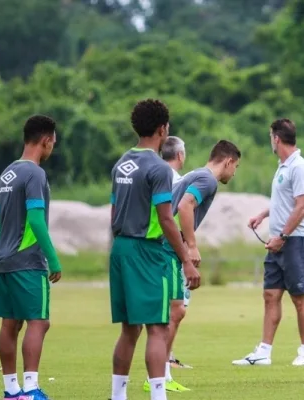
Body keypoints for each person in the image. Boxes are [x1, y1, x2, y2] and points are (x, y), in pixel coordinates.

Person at [108, 99, 200, 400]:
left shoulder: (121, 163)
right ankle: (158, 396)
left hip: (120, 248)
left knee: (128, 329)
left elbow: (113, 214)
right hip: (146, 252)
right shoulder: (158, 168)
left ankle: (118, 396)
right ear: (163, 129)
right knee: (158, 328)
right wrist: (186, 258)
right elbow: (165, 218)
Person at [144, 140, 241, 393]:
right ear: (228, 161)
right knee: (174, 311)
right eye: (236, 167)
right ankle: (157, 377)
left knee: (175, 310)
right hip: (168, 247)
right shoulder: (207, 180)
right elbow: (185, 206)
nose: (235, 172)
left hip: (166, 246)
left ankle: (161, 374)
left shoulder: (195, 174)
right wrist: (191, 245)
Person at [232, 118, 304, 367]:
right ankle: (264, 352)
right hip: (278, 241)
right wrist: (262, 215)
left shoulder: (299, 166)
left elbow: (302, 206)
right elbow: (283, 202)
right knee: (270, 294)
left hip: (294, 241)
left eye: (271, 137)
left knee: (299, 297)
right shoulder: (283, 166)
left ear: (276, 138)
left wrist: (283, 237)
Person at [0, 115, 62, 400]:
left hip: (5, 259)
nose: (52, 148)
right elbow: (35, 219)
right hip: (28, 261)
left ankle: (11, 391)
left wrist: (5, 248)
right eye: (53, 143)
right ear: (46, 140)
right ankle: (31, 389)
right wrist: (53, 258)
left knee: (10, 323)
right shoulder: (35, 173)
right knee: (38, 321)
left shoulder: (6, 173)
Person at [160, 135, 190, 370]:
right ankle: (164, 363)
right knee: (176, 307)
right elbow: (176, 216)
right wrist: (188, 249)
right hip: (169, 248)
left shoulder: (152, 175)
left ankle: (166, 358)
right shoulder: (178, 181)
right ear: (180, 155)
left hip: (147, 248)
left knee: (166, 307)